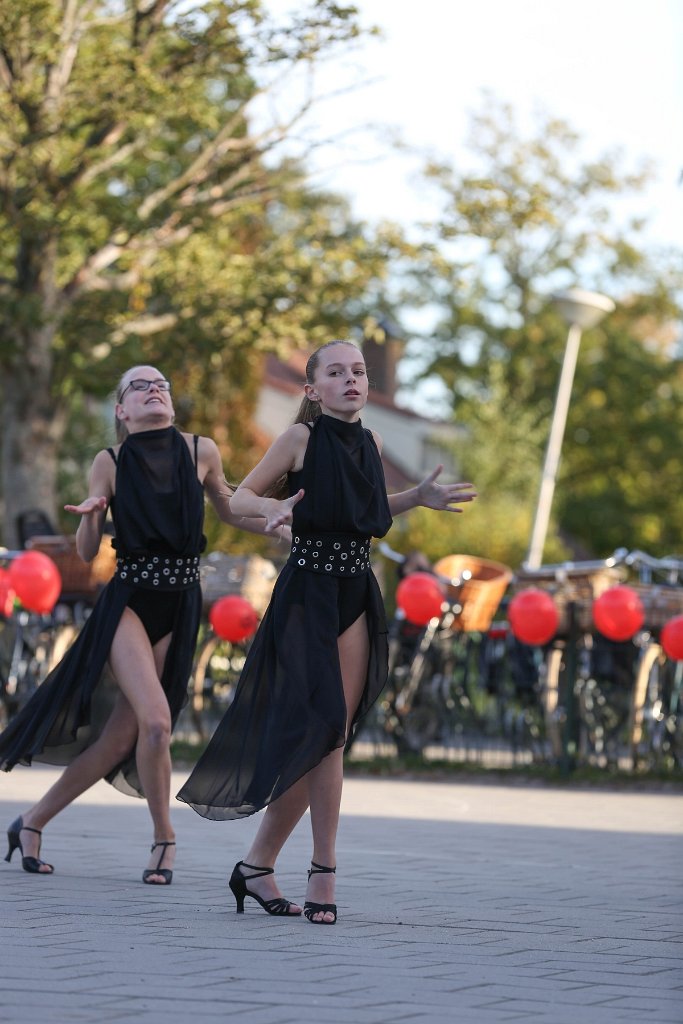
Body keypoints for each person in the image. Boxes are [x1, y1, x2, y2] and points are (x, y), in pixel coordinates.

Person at [177, 340, 476, 922]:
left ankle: (256, 867)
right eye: (335, 373)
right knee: (320, 733)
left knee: (328, 737)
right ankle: (324, 872)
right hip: (306, 592)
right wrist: (274, 513)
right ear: (312, 390)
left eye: (358, 371)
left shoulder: (373, 442)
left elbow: (363, 511)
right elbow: (240, 499)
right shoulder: (299, 440)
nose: (351, 380)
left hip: (355, 591)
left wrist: (417, 497)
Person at [1, 365, 287, 884]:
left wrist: (271, 513)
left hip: (180, 603)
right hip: (130, 602)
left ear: (171, 405)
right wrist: (91, 514)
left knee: (118, 740)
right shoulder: (109, 462)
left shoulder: (201, 450)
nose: (154, 389)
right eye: (140, 386)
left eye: (162, 385)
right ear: (122, 410)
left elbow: (228, 511)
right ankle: (165, 839)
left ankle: (31, 821)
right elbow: (88, 554)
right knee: (157, 722)